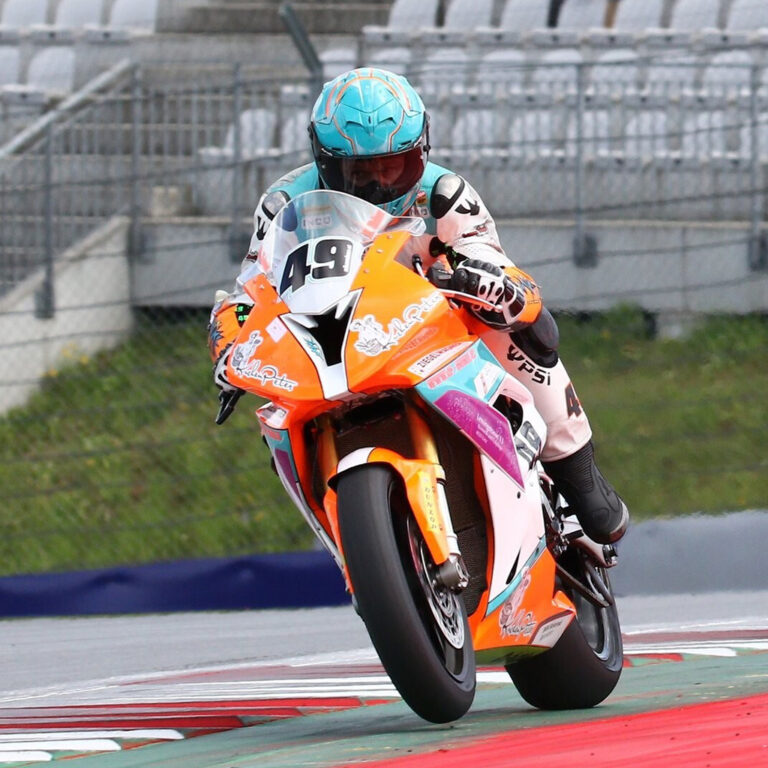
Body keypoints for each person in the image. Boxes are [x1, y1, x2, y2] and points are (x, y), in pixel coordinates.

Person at [208, 67, 629, 545]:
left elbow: (490, 256)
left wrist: (495, 285)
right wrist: (228, 337)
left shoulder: (445, 192)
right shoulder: (283, 202)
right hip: (334, 332)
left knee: (524, 330)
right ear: (324, 161)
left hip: (428, 320)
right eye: (358, 172)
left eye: (395, 166)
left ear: (421, 151)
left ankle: (575, 471)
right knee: (277, 415)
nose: (379, 183)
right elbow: (251, 289)